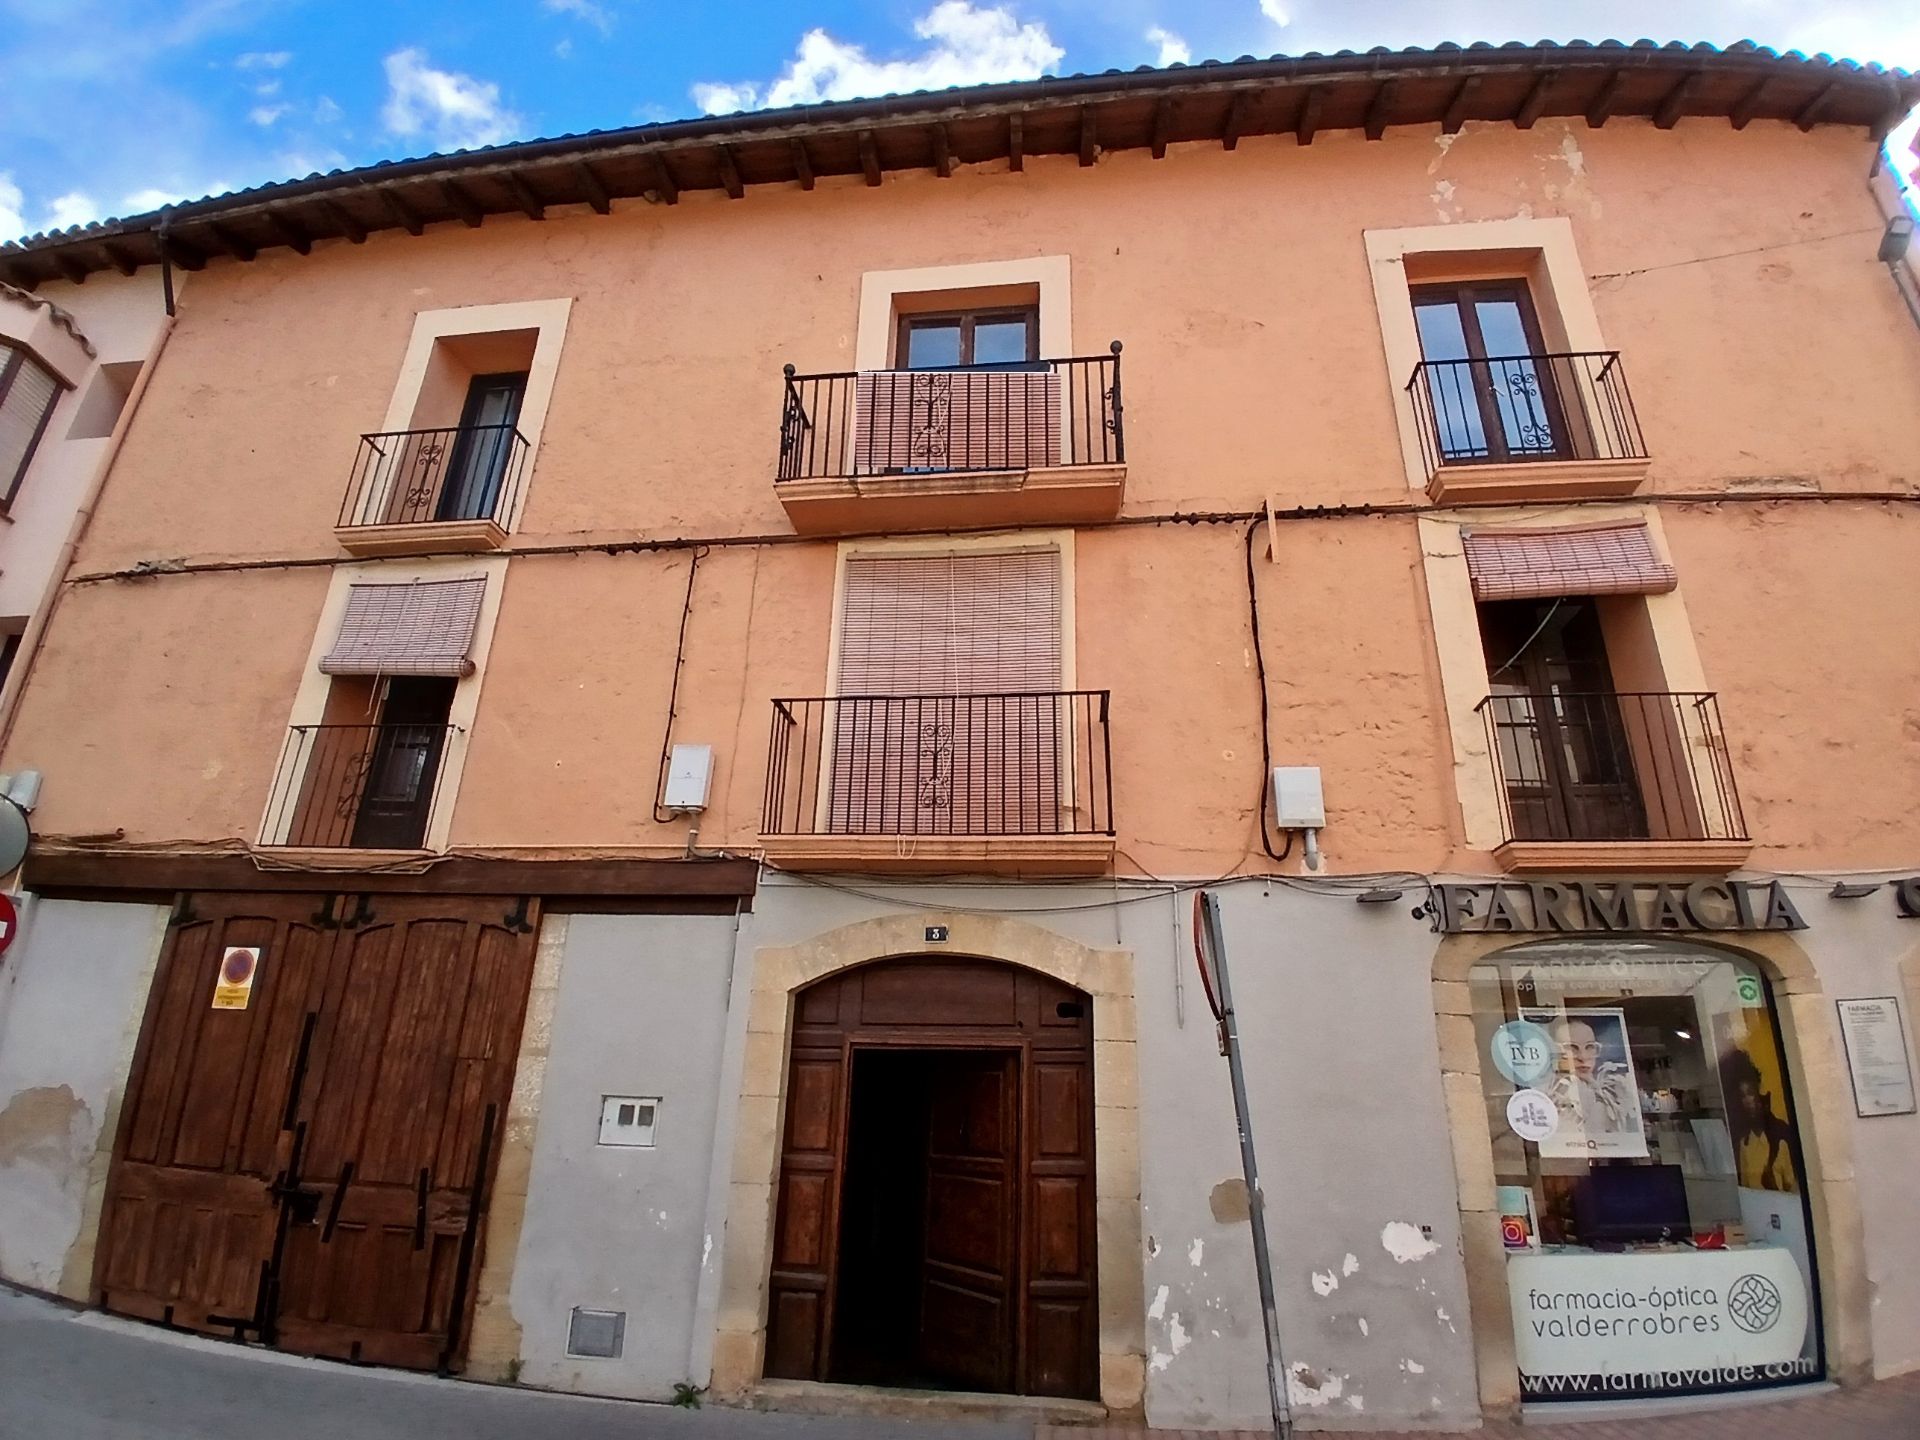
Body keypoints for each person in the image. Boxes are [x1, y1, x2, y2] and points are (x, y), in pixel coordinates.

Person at [1720, 1046, 1797, 1192]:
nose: (1748, 1101)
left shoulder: (1781, 1136)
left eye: (1750, 1093)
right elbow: (1745, 1188)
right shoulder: (1744, 1143)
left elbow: (1793, 1187)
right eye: (1742, 1096)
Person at [1546, 1018, 1638, 1136]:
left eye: (1590, 1047)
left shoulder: (1612, 1094)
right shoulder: (1550, 1097)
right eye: (1571, 1048)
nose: (1583, 1057)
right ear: (1554, 1052)